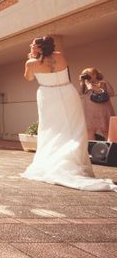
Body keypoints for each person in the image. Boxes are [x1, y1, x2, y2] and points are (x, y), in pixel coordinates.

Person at [21, 36, 116, 191]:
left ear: (39, 48)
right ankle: (73, 161)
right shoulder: (59, 56)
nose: (30, 45)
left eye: (33, 44)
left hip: (48, 95)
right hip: (67, 92)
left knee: (51, 129)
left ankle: (55, 161)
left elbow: (28, 77)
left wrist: (32, 58)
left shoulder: (31, 63)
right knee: (73, 128)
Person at [79, 68, 115, 140]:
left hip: (103, 110)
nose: (88, 76)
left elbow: (111, 93)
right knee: (90, 130)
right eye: (85, 75)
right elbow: (80, 93)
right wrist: (83, 82)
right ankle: (93, 149)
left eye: (89, 74)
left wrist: (96, 88)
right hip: (90, 112)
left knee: (106, 130)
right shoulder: (85, 84)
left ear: (95, 74)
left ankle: (111, 149)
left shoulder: (103, 82)